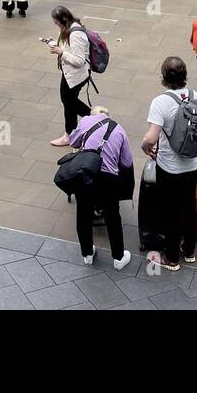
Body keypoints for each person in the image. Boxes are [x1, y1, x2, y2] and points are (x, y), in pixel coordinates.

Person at [140, 56, 197, 271]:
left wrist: (145, 147)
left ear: (164, 77)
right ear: (185, 75)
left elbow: (151, 138)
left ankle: (171, 257)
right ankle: (190, 251)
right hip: (192, 164)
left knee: (170, 211)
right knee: (188, 206)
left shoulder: (161, 102)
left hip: (169, 167)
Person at [68, 106, 134, 270]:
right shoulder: (119, 130)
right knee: (112, 216)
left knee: (83, 213)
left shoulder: (85, 121)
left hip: (86, 173)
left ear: (93, 115)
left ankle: (87, 254)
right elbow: (126, 162)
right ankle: (118, 257)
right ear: (108, 116)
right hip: (108, 178)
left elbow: (73, 141)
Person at [48, 5, 94, 145]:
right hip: (69, 74)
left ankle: (71, 133)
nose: (56, 25)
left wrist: (60, 52)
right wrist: (57, 45)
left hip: (76, 76)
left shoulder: (76, 34)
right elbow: (70, 48)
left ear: (62, 20)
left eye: (56, 23)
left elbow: (79, 60)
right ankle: (89, 121)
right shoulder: (70, 28)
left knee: (69, 103)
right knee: (68, 101)